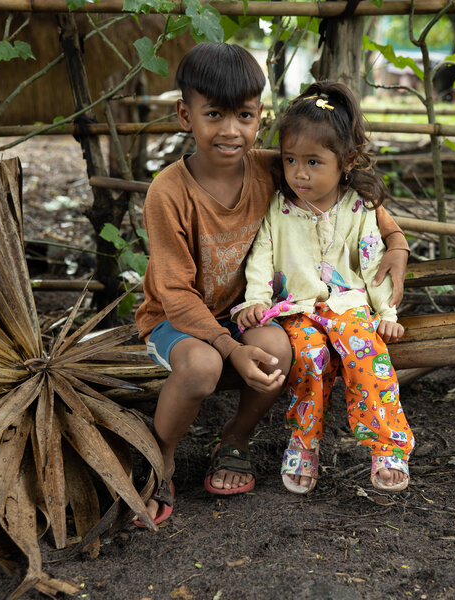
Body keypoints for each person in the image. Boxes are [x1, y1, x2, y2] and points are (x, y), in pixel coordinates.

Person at [134, 44, 410, 526]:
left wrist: (397, 246)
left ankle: (235, 439)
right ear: (185, 114)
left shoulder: (273, 166)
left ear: (259, 115)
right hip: (177, 320)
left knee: (279, 351)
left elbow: (358, 195)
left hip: (245, 311)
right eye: (213, 113)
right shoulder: (169, 192)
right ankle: (162, 457)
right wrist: (226, 346)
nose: (229, 130)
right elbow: (175, 294)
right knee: (201, 367)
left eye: (243, 114)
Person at [232, 81, 414, 495]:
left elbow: (373, 263)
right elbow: (261, 256)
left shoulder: (357, 207)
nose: (299, 172)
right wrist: (256, 301)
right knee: (310, 358)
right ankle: (304, 440)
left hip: (349, 306)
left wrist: (386, 314)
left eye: (314, 162)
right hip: (294, 309)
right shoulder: (278, 209)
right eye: (291, 159)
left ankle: (388, 445)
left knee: (367, 355)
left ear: (346, 161)